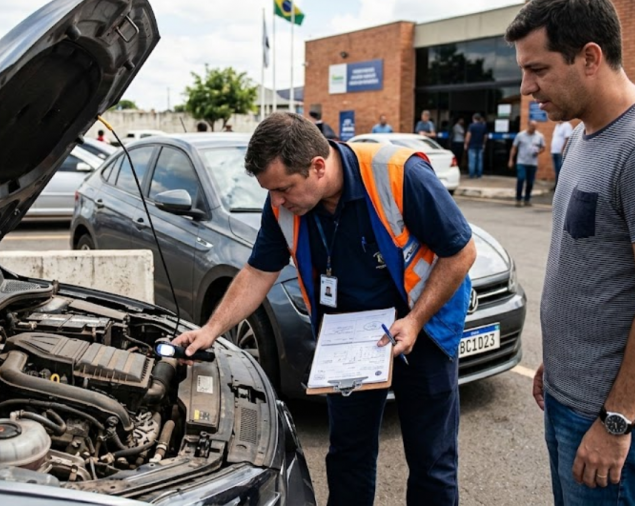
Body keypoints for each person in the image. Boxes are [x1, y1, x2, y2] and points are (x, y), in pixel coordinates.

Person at [173, 112, 476, 505]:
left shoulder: (399, 174)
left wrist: (415, 321)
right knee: (348, 455)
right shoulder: (283, 203)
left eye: (284, 188)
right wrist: (210, 330)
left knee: (432, 460)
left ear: (318, 167)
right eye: (271, 192)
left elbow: (462, 252)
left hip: (421, 332)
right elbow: (258, 271)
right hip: (349, 343)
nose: (277, 201)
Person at [506, 0, 635, 503]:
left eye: (538, 69)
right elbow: (588, 266)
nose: (526, 89)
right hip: (567, 397)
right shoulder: (584, 134)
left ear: (589, 57)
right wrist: (556, 361)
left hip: (607, 421)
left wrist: (619, 420)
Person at [508, 120, 546, 207]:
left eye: (535, 127)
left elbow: (543, 147)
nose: (533, 129)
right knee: (521, 179)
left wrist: (538, 152)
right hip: (521, 162)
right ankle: (518, 199)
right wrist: (511, 160)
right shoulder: (520, 135)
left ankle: (527, 199)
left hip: (533, 163)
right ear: (528, 125)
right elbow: (514, 148)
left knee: (530, 182)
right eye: (532, 126)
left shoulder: (539, 136)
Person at [464, 113, 488, 178]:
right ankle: (479, 174)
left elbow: (468, 135)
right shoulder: (483, 126)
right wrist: (483, 144)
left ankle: (472, 174)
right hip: (480, 145)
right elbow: (485, 136)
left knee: (472, 161)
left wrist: (466, 144)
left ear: (473, 118)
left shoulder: (471, 126)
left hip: (472, 145)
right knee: (479, 161)